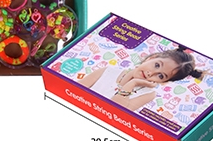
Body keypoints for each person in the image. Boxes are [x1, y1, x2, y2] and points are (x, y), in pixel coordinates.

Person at [77, 47, 206, 111]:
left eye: (161, 76)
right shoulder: (108, 71)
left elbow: (114, 111)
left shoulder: (148, 94)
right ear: (151, 58)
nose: (151, 73)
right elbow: (74, 90)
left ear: (164, 82)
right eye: (156, 65)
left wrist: (133, 83)